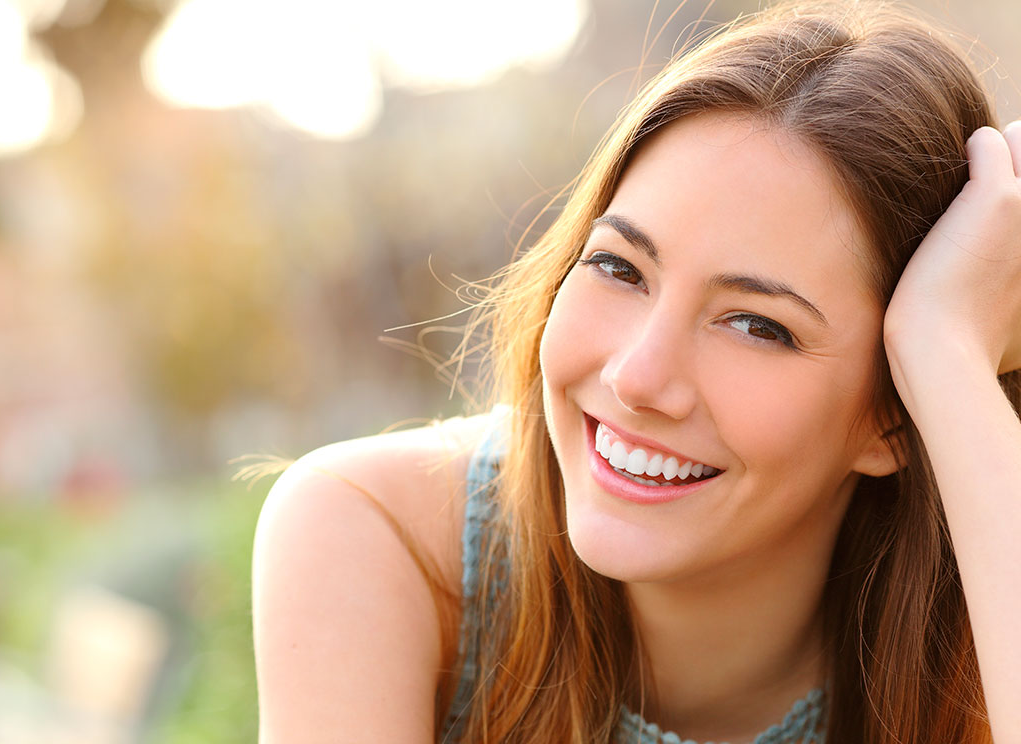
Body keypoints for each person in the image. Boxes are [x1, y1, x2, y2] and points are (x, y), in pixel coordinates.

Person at [251, 1, 1021, 742]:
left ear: (894, 416)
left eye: (757, 326)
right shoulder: (379, 538)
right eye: (620, 268)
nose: (638, 376)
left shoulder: (981, 627)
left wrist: (950, 359)